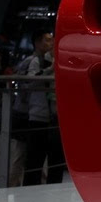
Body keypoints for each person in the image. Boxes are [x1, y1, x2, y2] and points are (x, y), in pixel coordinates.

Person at [18, 30, 64, 186]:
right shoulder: (36, 61)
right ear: (37, 43)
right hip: (38, 117)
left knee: (56, 162)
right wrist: (51, 69)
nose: (51, 43)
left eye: (53, 40)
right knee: (34, 161)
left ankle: (54, 194)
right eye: (48, 40)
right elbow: (29, 83)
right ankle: (30, 194)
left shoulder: (62, 60)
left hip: (57, 118)